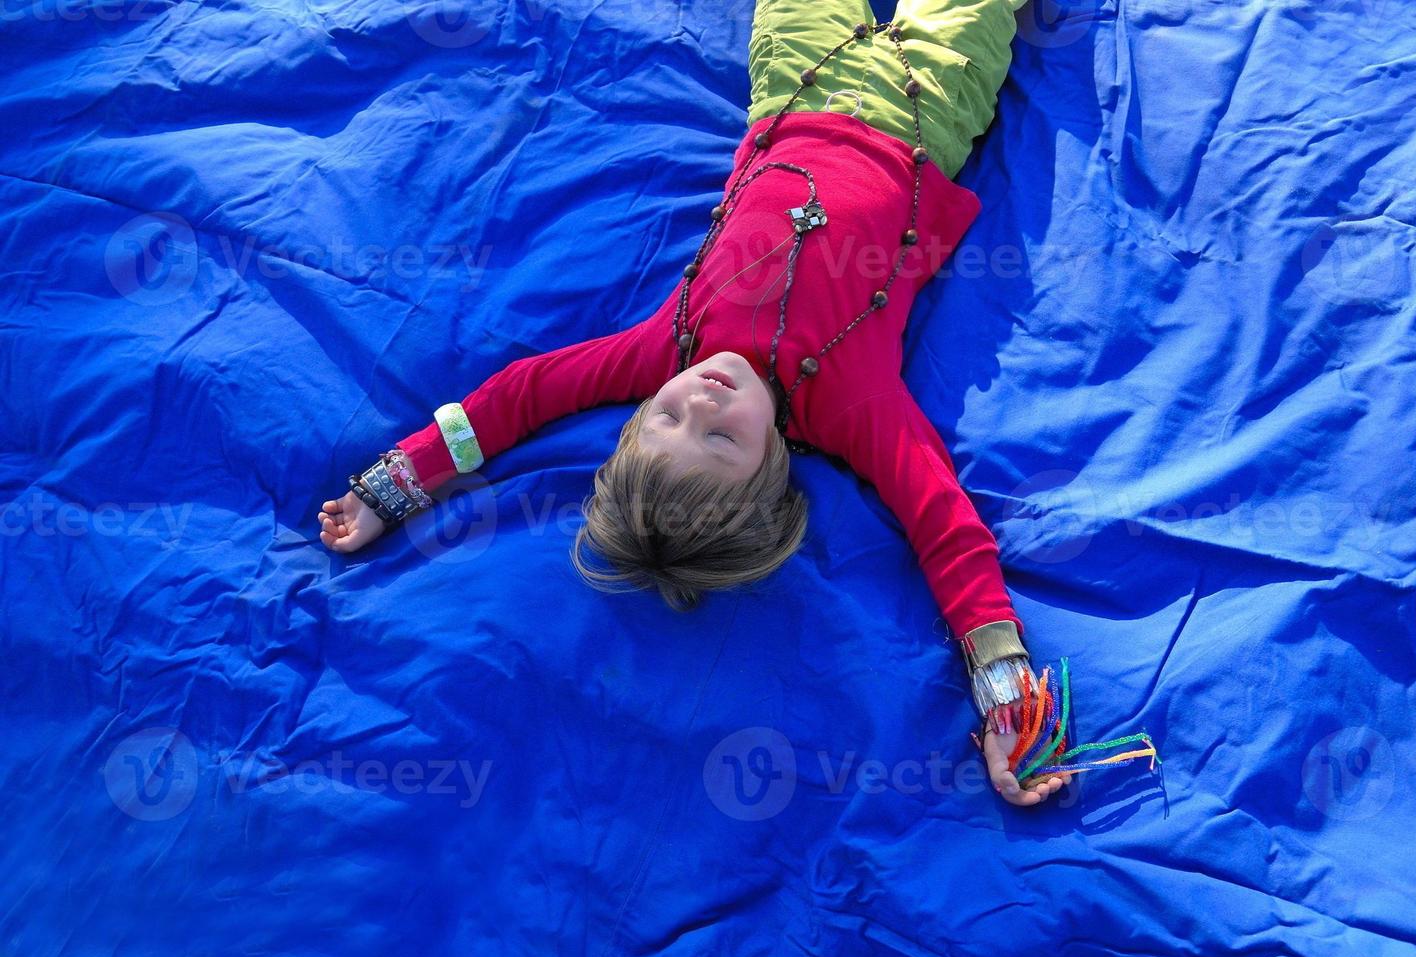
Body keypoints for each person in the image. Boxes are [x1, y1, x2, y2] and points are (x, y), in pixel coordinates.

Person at [319, 0, 1080, 807]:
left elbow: (520, 398)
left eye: (666, 417)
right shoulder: (852, 405)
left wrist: (395, 485)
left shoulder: (664, 351)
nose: (700, 399)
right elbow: (944, 528)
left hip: (798, 81)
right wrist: (1008, 701)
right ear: (770, 470)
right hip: (927, 108)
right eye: (721, 438)